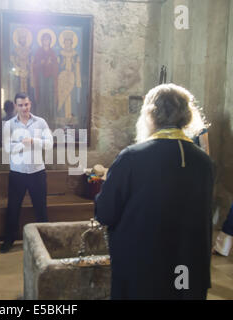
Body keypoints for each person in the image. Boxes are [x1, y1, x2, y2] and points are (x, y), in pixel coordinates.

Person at [95, 84, 214, 299]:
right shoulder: (203, 161)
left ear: (150, 114)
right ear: (187, 115)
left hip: (143, 268)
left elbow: (105, 213)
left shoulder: (132, 157)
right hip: (186, 270)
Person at [0, 92, 53, 253]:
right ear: (16, 106)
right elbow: (8, 148)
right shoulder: (9, 125)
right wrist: (24, 145)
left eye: (26, 104)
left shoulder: (40, 122)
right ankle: (8, 240)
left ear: (30, 104)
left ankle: (45, 241)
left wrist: (33, 141)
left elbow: (49, 144)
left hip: (37, 172)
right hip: (18, 173)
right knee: (13, 208)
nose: (24, 108)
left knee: (41, 208)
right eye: (21, 105)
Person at [32, 31, 58, 128]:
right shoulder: (38, 52)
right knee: (42, 97)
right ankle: (40, 119)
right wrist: (42, 63)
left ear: (50, 41)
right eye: (44, 39)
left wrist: (51, 63)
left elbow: (56, 66)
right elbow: (34, 66)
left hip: (50, 78)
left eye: (48, 39)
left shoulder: (52, 52)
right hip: (41, 78)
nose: (46, 41)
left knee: (50, 98)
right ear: (42, 41)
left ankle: (51, 120)